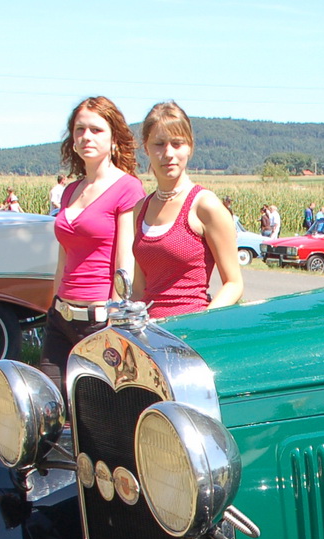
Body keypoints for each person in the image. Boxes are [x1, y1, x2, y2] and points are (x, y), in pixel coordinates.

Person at [39, 95, 145, 391]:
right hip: (60, 318)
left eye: (96, 130)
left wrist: (113, 324)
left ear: (114, 139)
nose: (86, 136)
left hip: (99, 322)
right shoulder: (70, 190)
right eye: (79, 130)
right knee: (49, 406)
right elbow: (64, 255)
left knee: (94, 416)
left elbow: (126, 261)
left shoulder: (127, 187)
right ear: (72, 139)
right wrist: (52, 307)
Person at [131, 100, 243, 319]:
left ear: (190, 146)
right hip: (148, 336)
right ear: (146, 148)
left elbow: (234, 284)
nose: (168, 153)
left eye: (177, 143)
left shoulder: (205, 205)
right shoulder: (140, 209)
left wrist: (201, 326)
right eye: (159, 144)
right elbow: (138, 289)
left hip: (189, 336)